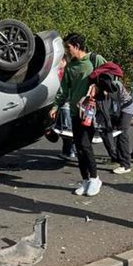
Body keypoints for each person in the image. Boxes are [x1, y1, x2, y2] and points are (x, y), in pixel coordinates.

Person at [49, 33, 106, 196]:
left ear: (77, 46)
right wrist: (55, 106)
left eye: (68, 47)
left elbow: (111, 78)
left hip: (91, 112)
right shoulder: (70, 67)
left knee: (85, 145)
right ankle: (85, 179)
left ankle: (95, 178)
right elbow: (63, 90)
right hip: (76, 112)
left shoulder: (95, 60)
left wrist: (99, 90)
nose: (67, 51)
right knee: (79, 147)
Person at [88, 64, 133, 174]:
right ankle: (116, 157)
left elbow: (112, 107)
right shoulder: (99, 85)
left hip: (126, 108)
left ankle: (125, 165)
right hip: (116, 109)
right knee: (109, 132)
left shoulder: (115, 86)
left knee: (121, 134)